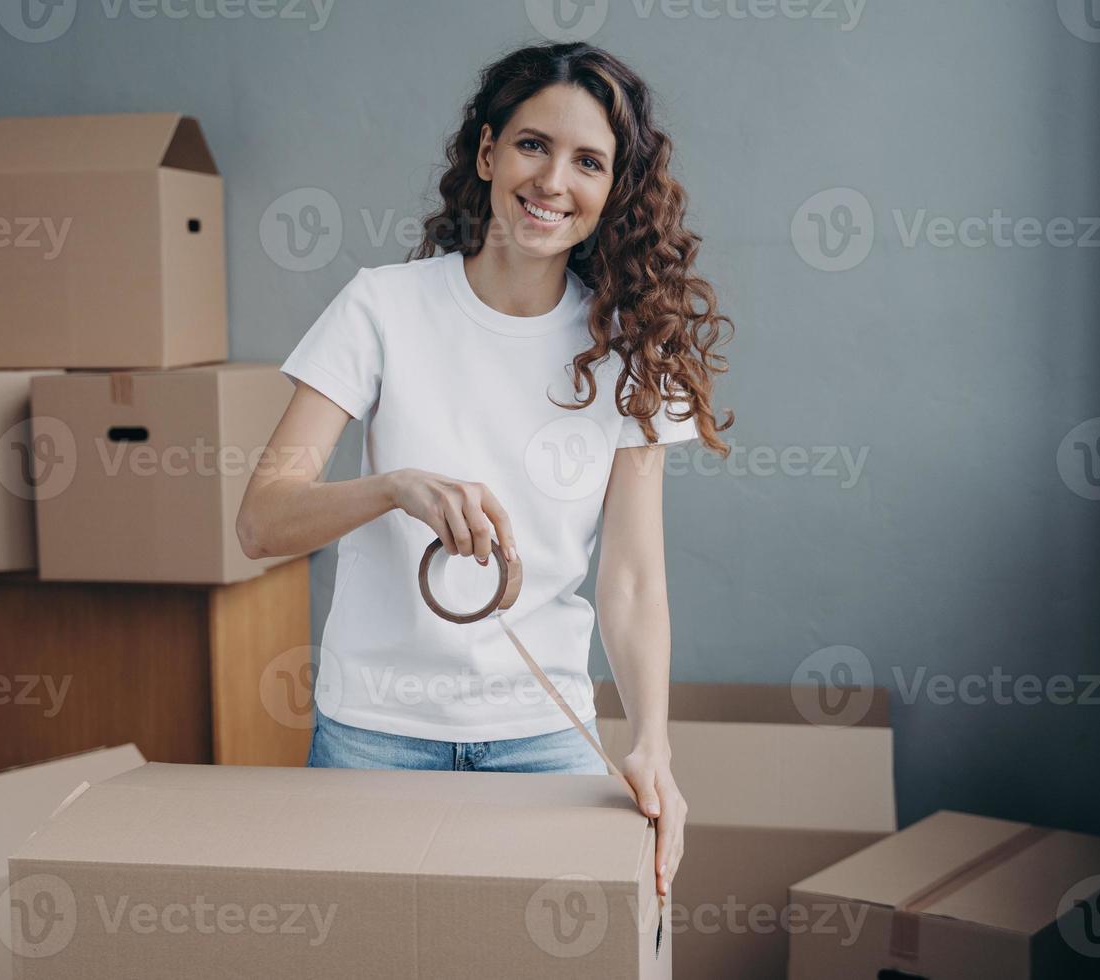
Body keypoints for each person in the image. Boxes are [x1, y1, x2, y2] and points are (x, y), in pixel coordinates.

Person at [236, 41, 733, 899]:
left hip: (543, 736)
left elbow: (633, 577)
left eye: (589, 161)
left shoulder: (629, 348)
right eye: (534, 145)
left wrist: (651, 738)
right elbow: (260, 521)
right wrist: (394, 486)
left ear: (613, 190)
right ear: (487, 152)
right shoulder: (383, 306)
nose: (552, 181)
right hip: (373, 735)